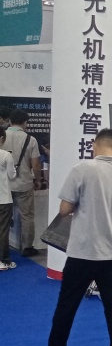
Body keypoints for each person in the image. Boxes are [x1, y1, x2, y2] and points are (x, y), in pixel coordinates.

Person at [26, 129, 112, 346]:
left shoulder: (81, 170)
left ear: (94, 145)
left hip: (83, 252)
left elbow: (65, 208)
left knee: (67, 306)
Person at [2, 108, 42, 256]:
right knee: (27, 216)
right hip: (24, 183)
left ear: (10, 121)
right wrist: (38, 180)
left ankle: (2, 247)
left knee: (2, 217)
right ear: (25, 122)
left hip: (4, 184)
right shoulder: (30, 139)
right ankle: (27, 247)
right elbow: (36, 164)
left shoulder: (2, 136)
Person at [0, 128, 18, 271]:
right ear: (2, 139)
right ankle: (3, 260)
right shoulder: (6, 155)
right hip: (3, 198)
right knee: (3, 231)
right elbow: (12, 176)